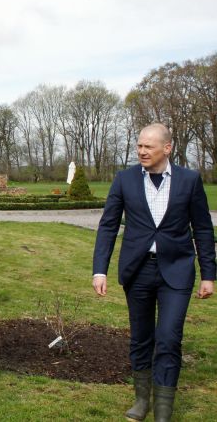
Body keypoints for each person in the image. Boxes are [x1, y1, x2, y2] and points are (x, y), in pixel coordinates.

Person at [92, 123, 215, 422]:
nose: (142, 151)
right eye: (139, 145)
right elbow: (108, 226)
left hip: (177, 271)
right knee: (141, 338)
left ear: (167, 148)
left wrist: (208, 275)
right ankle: (141, 399)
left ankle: (163, 409)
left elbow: (202, 228)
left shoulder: (189, 180)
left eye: (148, 146)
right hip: (138, 271)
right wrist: (99, 271)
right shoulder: (124, 179)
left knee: (169, 338)